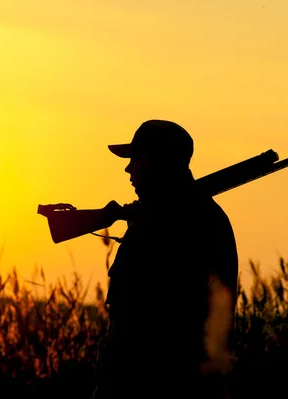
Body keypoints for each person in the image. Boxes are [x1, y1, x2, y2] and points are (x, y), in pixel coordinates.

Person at [92, 119, 239, 399]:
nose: (128, 169)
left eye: (135, 159)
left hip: (160, 391)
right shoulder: (178, 216)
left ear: (155, 162)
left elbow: (152, 321)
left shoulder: (175, 221)